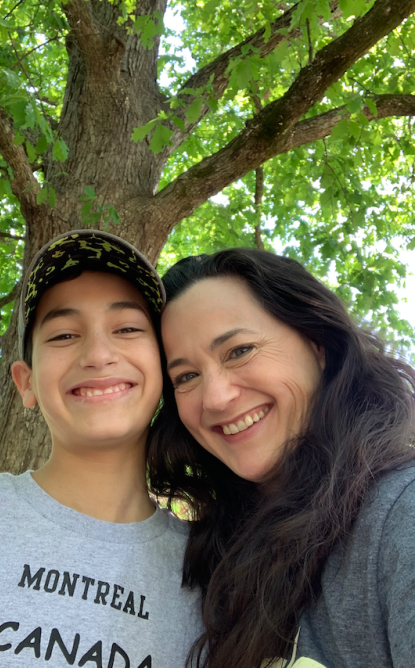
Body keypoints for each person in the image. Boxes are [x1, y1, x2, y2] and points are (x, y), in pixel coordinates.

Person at [0, 230, 202, 668]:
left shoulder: (216, 576)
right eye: (64, 335)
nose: (98, 354)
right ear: (26, 383)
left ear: (164, 367)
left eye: (127, 328)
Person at [148, 248, 415, 668]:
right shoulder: (207, 560)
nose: (216, 398)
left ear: (317, 344)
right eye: (186, 376)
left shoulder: (400, 516)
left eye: (239, 350)